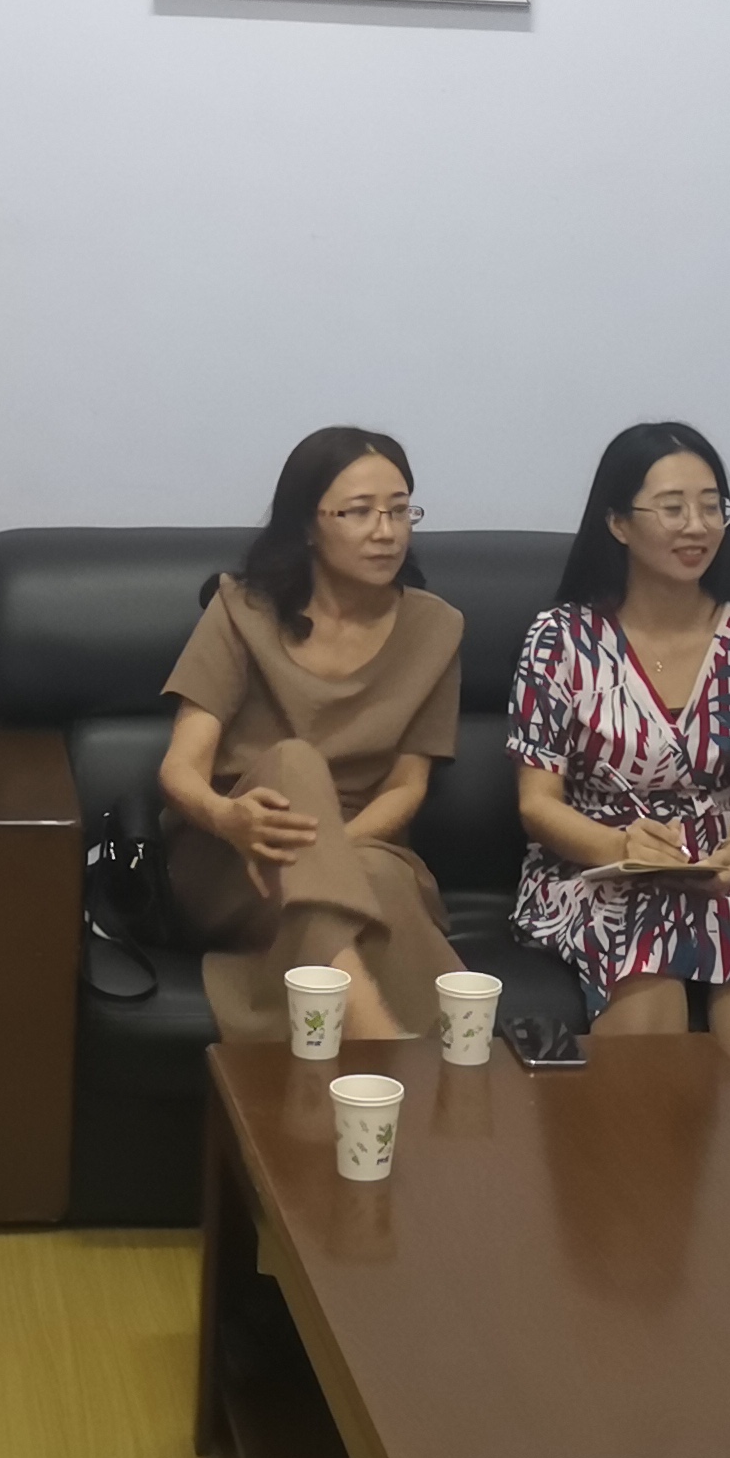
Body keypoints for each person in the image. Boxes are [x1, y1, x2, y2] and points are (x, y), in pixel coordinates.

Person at [509, 422, 730, 1091]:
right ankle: (635, 1157)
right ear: (618, 524)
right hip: (593, 864)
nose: (697, 526)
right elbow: (537, 804)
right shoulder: (561, 639)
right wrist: (620, 848)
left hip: (717, 863)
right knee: (644, 945)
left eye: (712, 506)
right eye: (673, 507)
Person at [157, 428, 468, 1046]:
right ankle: (395, 1053)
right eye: (359, 512)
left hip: (362, 845)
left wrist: (325, 856)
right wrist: (228, 819)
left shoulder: (436, 628)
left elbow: (407, 786)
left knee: (379, 879)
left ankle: (365, 1080)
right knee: (295, 762)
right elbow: (179, 769)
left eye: (400, 510)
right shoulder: (243, 609)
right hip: (235, 856)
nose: (386, 531)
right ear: (306, 525)